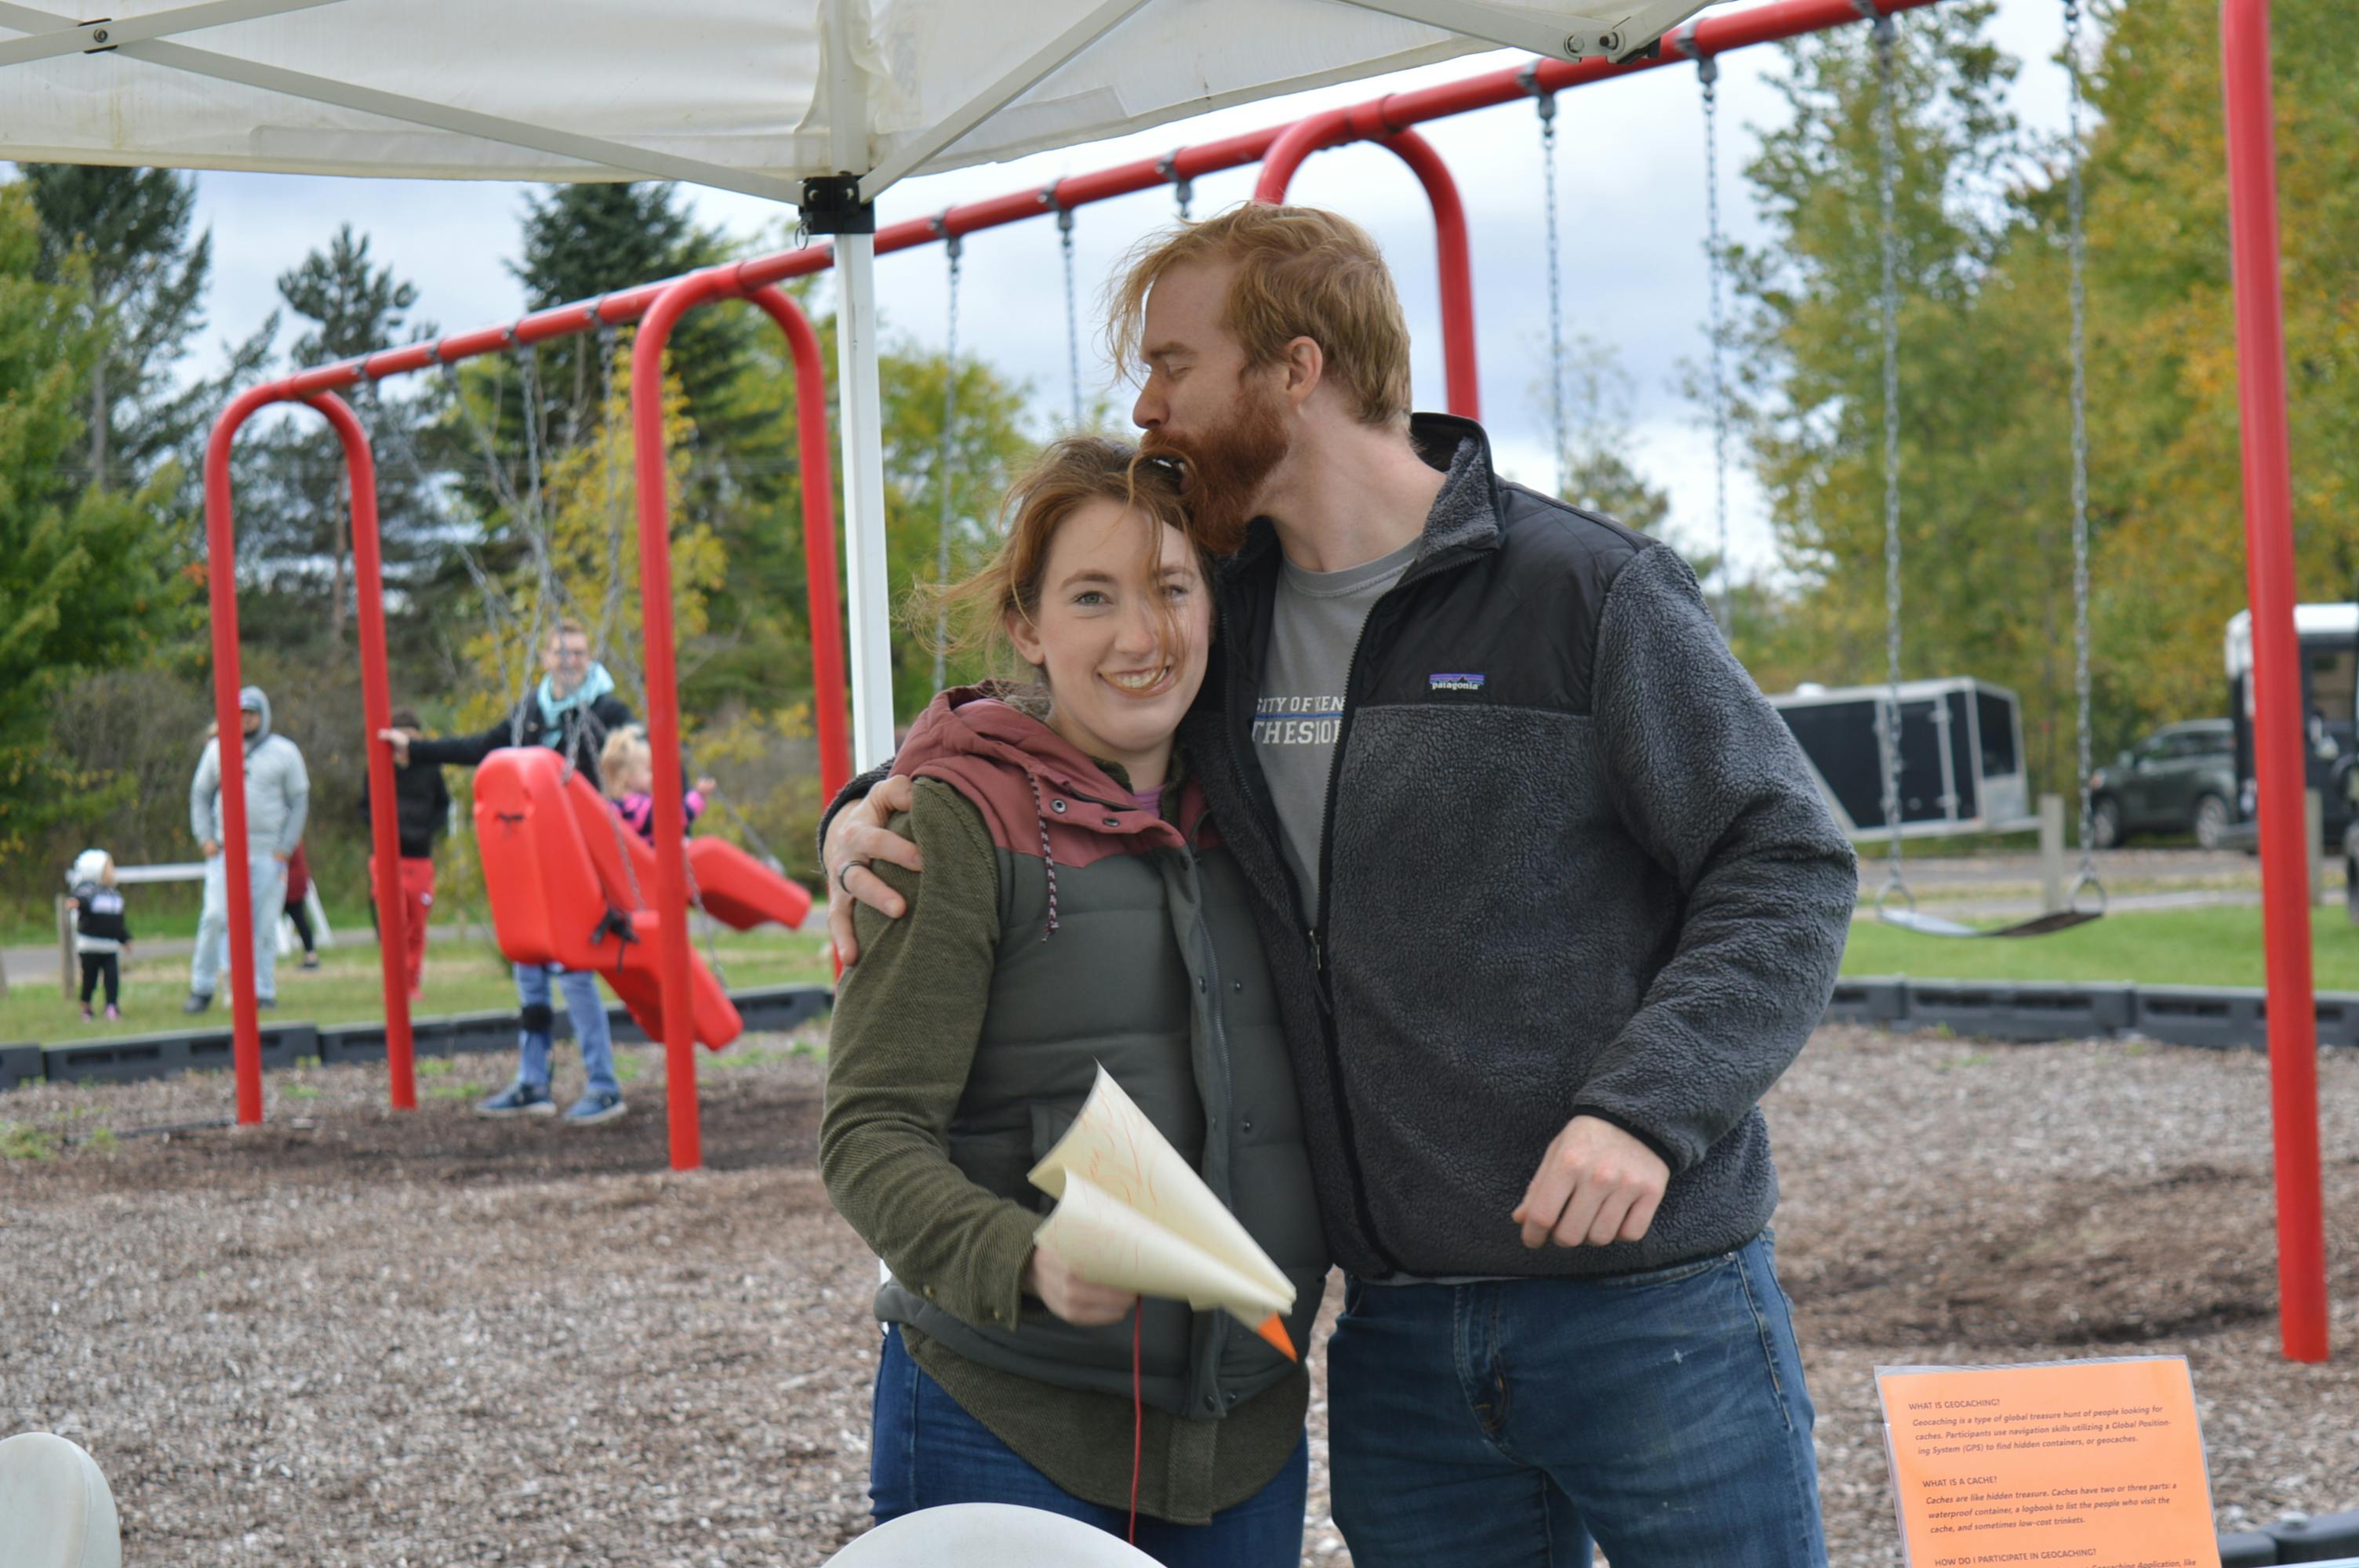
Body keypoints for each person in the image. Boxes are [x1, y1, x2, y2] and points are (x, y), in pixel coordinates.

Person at [825, 205, 1858, 1568]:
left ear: (1293, 372)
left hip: (1648, 1308)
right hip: (1398, 1340)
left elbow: (1784, 858)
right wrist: (863, 811)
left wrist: (1646, 1111)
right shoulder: (1217, 613)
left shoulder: (1580, 594)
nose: (1145, 407)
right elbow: (1046, 726)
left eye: (1173, 364)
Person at [819, 437, 1326, 1566]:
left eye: (1171, 588)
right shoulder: (950, 825)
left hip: (1246, 1436)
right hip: (1006, 1424)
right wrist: (1025, 1258)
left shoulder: (1265, 803)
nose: (1141, 637)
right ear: (1027, 626)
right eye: (1093, 597)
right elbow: (867, 1132)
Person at [380, 619, 631, 1126]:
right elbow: (483, 747)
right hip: (534, 855)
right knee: (529, 965)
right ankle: (533, 1081)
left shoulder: (608, 711)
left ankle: (603, 1084)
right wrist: (415, 751)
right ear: (545, 659)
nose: (571, 660)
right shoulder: (533, 710)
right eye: (562, 652)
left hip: (584, 860)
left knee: (575, 970)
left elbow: (640, 759)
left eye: (579, 652)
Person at [187, 687, 311, 1014]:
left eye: (251, 714)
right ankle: (201, 988)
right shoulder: (218, 749)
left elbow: (299, 800)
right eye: (240, 714)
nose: (245, 720)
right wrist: (206, 838)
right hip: (225, 851)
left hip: (267, 852)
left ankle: (262, 990)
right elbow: (200, 794)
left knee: (264, 925)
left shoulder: (284, 752)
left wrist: (286, 847)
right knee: (214, 917)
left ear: (263, 715)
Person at [360, 706, 450, 996]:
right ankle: (394, 982)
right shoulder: (377, 767)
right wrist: (384, 832)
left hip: (419, 856)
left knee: (416, 926)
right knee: (393, 920)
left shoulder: (429, 768)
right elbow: (365, 807)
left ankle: (412, 982)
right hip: (387, 857)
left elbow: (442, 805)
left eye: (411, 739)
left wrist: (426, 830)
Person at [598, 724, 712, 844]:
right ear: (627, 777)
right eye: (649, 770)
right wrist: (698, 796)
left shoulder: (617, 807)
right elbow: (673, 820)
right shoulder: (637, 807)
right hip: (651, 861)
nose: (655, 775)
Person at [65, 848, 132, 1023]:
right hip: (90, 946)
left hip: (109, 947)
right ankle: (86, 1006)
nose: (113, 871)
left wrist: (124, 938)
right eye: (109, 867)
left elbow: (117, 921)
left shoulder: (115, 895)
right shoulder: (88, 891)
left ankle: (112, 1006)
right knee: (90, 979)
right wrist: (77, 903)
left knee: (112, 978)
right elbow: (83, 900)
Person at [282, 842, 322, 970]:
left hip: (290, 885)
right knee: (300, 920)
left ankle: (311, 956)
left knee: (300, 920)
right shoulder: (294, 838)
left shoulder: (289, 840)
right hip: (295, 883)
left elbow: (282, 857)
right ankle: (311, 954)